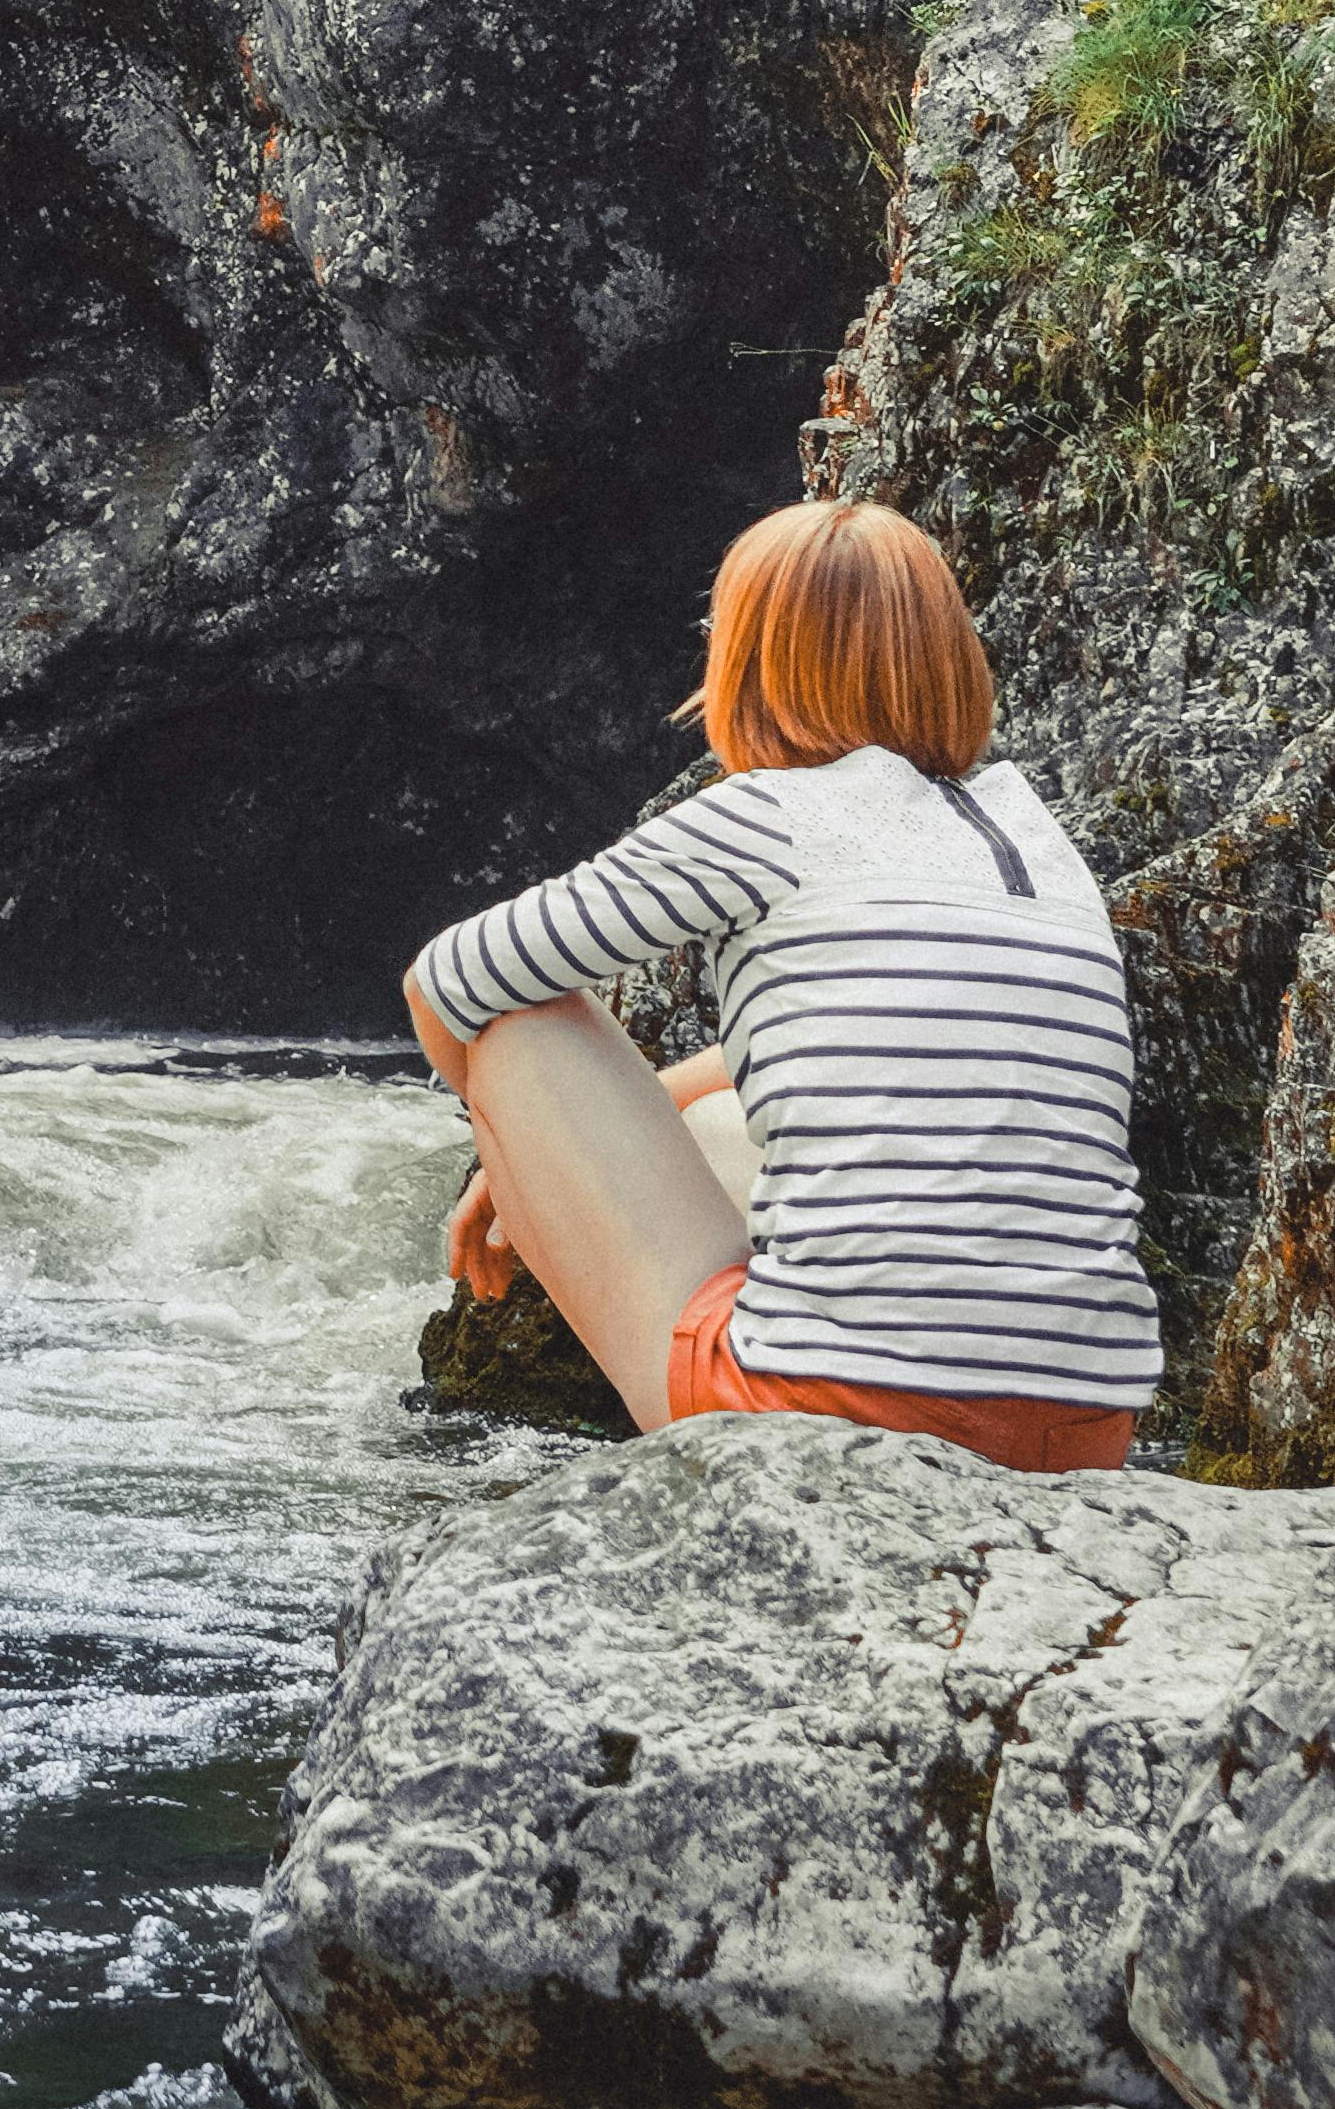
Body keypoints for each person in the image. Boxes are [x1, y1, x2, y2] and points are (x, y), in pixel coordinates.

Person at [395, 494, 1152, 1468]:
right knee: (719, 1121)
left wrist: (511, 1151)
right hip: (1083, 1429)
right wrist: (540, 1153)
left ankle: (748, 1405)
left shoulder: (765, 815)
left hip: (834, 1413)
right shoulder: (1029, 838)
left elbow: (446, 982)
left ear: (750, 662)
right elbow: (857, 1051)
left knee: (514, 1023)